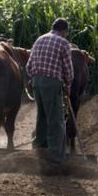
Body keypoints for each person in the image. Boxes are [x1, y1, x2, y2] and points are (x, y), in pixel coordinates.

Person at [26, 18, 74, 175]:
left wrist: (35, 78)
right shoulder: (63, 43)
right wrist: (68, 84)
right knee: (56, 119)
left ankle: (39, 148)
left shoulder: (40, 39)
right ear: (64, 30)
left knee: (42, 116)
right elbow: (68, 69)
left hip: (36, 82)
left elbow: (29, 65)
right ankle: (56, 156)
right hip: (52, 82)